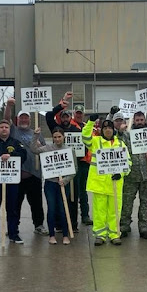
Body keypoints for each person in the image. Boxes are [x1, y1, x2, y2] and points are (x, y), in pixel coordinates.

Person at [82, 115, 132, 246]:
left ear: (113, 130)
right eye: (105, 128)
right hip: (99, 184)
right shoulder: (95, 142)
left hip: (115, 184)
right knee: (99, 212)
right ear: (102, 130)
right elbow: (85, 137)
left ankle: (115, 234)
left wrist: (121, 174)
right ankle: (100, 235)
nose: (108, 130)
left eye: (110, 127)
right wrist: (90, 122)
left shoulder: (120, 144)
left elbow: (128, 163)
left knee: (115, 211)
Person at [4, 98, 49, 235]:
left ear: (30, 120)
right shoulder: (13, 131)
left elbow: (45, 151)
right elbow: (6, 119)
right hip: (16, 176)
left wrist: (41, 146)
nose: (24, 120)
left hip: (33, 175)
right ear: (17, 120)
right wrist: (9, 106)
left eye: (26, 118)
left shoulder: (37, 133)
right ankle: (13, 227)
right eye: (21, 118)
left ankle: (39, 225)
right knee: (14, 204)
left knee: (36, 204)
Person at [30, 126, 77, 245]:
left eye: (59, 137)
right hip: (50, 184)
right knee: (51, 209)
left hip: (63, 184)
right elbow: (33, 149)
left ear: (63, 137)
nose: (57, 139)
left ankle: (65, 235)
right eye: (55, 137)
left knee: (63, 209)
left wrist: (66, 180)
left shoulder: (70, 150)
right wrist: (35, 136)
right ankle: (52, 235)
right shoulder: (47, 148)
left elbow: (74, 169)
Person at [46, 98, 86, 232]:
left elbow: (84, 148)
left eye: (67, 116)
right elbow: (48, 116)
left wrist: (78, 154)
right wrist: (59, 107)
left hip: (73, 167)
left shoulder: (77, 129)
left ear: (70, 117)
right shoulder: (56, 128)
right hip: (56, 167)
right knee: (58, 197)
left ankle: (73, 224)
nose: (65, 118)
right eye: (63, 116)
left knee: (73, 196)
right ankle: (58, 224)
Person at [120, 111, 147, 240]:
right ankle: (124, 226)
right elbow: (118, 144)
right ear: (134, 121)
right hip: (130, 176)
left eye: (141, 120)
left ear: (145, 120)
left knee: (146, 203)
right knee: (126, 203)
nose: (140, 122)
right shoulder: (127, 135)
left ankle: (144, 228)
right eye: (137, 120)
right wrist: (120, 131)